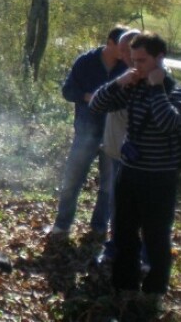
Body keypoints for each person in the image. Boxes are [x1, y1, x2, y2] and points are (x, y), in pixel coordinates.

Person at [89, 32, 181, 306]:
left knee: (156, 236)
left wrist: (157, 89)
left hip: (159, 178)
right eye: (133, 60)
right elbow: (97, 105)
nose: (137, 66)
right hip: (130, 173)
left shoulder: (177, 92)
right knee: (123, 233)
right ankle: (125, 286)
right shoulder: (133, 85)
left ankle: (154, 292)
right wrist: (118, 82)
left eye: (142, 60)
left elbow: (169, 123)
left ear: (160, 58)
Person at [49, 26, 127, 239]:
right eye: (122, 47)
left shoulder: (127, 67)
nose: (125, 51)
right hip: (86, 132)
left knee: (108, 186)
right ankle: (62, 226)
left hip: (114, 134)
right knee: (72, 180)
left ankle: (99, 227)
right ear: (109, 43)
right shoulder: (86, 62)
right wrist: (86, 96)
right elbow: (67, 91)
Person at [97, 29, 142, 265]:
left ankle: (141, 256)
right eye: (121, 49)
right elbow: (99, 102)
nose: (122, 54)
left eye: (127, 50)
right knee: (116, 203)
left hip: (138, 157)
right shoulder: (123, 74)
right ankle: (115, 247)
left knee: (138, 208)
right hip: (114, 150)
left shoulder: (150, 78)